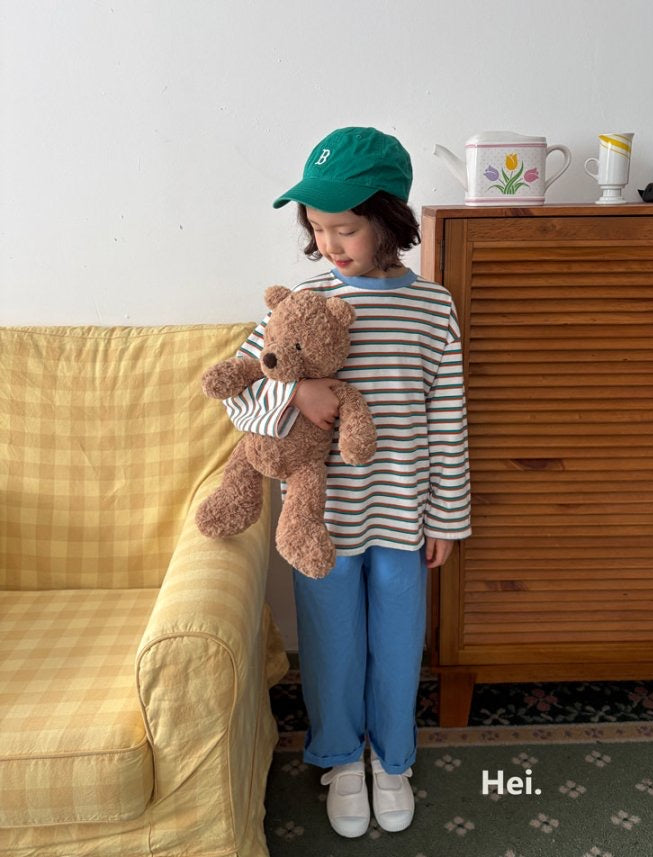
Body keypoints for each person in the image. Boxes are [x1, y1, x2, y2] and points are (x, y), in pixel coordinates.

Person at [225, 126, 472, 837]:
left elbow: (448, 417)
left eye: (346, 228)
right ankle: (338, 758)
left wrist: (446, 518)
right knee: (332, 641)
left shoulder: (433, 308)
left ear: (388, 219)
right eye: (317, 227)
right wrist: (295, 395)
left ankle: (392, 760)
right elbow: (238, 390)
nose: (329, 242)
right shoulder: (302, 301)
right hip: (322, 519)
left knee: (396, 643)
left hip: (403, 513)